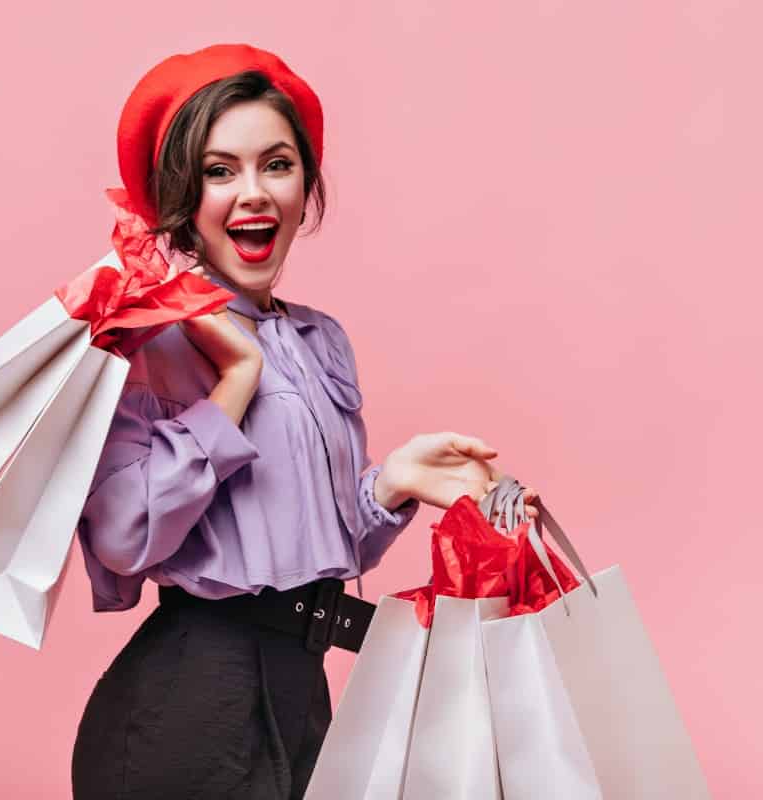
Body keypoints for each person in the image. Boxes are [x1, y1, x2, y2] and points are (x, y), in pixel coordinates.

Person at [70, 43, 539, 800]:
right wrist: (235, 379)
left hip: (305, 699)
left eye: (276, 164)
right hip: (188, 714)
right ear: (180, 196)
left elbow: (302, 544)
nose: (252, 193)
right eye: (220, 171)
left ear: (304, 184)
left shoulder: (319, 339)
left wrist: (391, 485)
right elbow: (124, 540)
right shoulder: (142, 344)